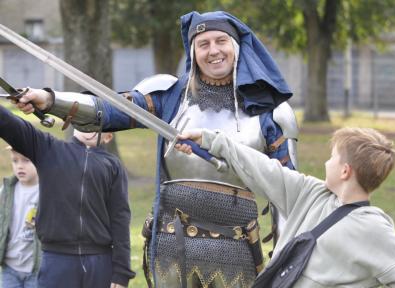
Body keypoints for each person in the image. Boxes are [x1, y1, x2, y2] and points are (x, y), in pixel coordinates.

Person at [15, 10, 298, 288]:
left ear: (235, 45)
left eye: (221, 41)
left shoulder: (270, 111)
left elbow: (288, 193)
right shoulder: (171, 96)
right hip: (171, 246)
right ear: (193, 51)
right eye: (203, 44)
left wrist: (285, 264)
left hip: (235, 249)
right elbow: (111, 109)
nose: (213, 51)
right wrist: (51, 99)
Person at [175, 127, 395, 287]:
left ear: (345, 171)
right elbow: (263, 169)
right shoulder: (311, 194)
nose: (326, 162)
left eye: (333, 157)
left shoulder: (373, 228)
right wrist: (212, 140)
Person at [0, 105, 135, 288]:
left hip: (100, 262)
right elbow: (10, 124)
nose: (89, 125)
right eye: (84, 116)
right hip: (57, 261)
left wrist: (121, 272)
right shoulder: (49, 149)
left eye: (98, 120)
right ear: (70, 122)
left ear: (108, 135)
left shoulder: (113, 166)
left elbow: (120, 218)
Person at [0, 147, 40, 288]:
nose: (20, 166)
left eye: (26, 160)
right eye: (15, 161)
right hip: (10, 268)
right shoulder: (6, 190)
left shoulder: (46, 191)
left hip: (36, 269)